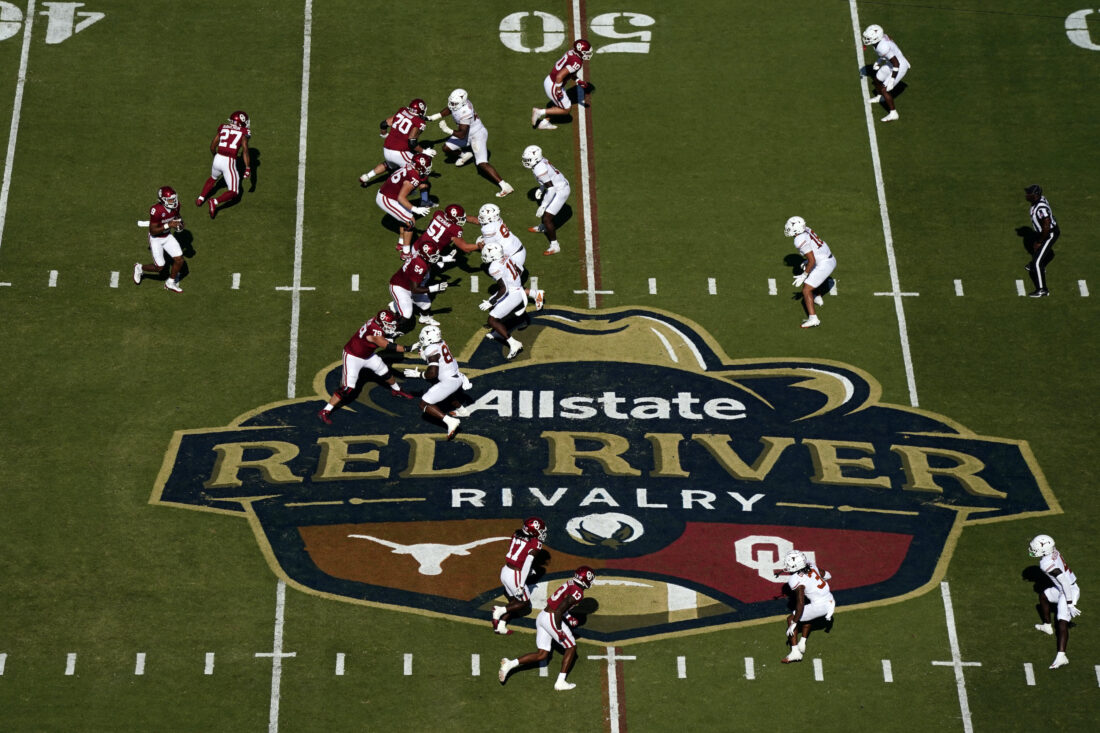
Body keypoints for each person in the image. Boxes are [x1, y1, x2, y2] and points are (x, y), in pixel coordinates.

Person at [499, 566, 595, 691]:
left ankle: (509, 664)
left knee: (542, 654)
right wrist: (559, 630)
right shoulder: (578, 593)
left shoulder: (570, 583)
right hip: (552, 618)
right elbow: (559, 610)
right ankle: (560, 682)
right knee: (571, 647)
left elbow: (555, 602)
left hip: (543, 616)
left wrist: (569, 616)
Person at [318, 309, 414, 425]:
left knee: (385, 371)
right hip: (353, 356)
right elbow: (387, 345)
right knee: (347, 388)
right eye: (388, 324)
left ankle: (397, 390)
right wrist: (409, 348)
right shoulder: (375, 332)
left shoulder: (376, 321)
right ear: (381, 323)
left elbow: (384, 334)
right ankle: (325, 411)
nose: (390, 326)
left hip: (367, 355)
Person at [426, 89, 513, 198]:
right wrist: (433, 117)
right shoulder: (459, 104)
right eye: (451, 102)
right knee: (446, 148)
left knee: (482, 163)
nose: (452, 105)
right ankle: (465, 155)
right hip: (467, 134)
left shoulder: (465, 111)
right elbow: (450, 109)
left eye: (454, 103)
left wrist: (447, 130)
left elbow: (462, 134)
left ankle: (505, 186)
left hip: (477, 135)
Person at [401, 325, 470, 439]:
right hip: (456, 377)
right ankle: (462, 411)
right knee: (443, 391)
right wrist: (424, 355)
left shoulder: (431, 350)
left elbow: (432, 373)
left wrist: (419, 374)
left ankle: (450, 421)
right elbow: (438, 356)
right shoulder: (442, 342)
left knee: (424, 404)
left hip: (449, 381)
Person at [479, 241, 544, 360]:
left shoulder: (493, 267)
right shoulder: (506, 256)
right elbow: (519, 269)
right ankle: (498, 331)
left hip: (513, 294)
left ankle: (514, 344)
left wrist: (491, 301)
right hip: (516, 288)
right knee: (495, 310)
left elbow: (503, 289)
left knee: (492, 319)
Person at [1028, 534, 1081, 669]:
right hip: (1063, 588)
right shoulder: (1053, 550)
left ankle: (1062, 656)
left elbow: (1064, 581)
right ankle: (1047, 626)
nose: (1033, 549)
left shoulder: (1045, 564)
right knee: (1043, 596)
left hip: (1069, 589)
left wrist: (1069, 602)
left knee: (1062, 621)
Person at [359, 98, 436, 188]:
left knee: (389, 165)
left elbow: (384, 124)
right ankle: (423, 199)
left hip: (387, 148)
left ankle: (367, 176)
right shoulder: (420, 122)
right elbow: (412, 142)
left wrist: (384, 134)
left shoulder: (402, 111)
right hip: (399, 152)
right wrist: (424, 151)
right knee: (420, 169)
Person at [491, 517, 548, 635]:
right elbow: (527, 563)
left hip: (505, 570)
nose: (542, 533)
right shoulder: (535, 543)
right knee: (524, 603)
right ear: (533, 531)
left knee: (514, 602)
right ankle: (499, 611)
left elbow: (519, 552)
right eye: (540, 530)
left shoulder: (516, 533)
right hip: (515, 574)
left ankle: (500, 626)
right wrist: (521, 585)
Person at [776, 550, 835, 664]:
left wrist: (793, 623)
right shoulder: (811, 566)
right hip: (829, 600)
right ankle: (802, 642)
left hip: (820, 605)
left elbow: (800, 603)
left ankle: (795, 653)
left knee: (791, 619)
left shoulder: (795, 579)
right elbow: (827, 575)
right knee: (807, 616)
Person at [784, 216, 837, 329]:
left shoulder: (798, 240)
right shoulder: (806, 229)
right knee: (806, 266)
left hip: (824, 264)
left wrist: (804, 275)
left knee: (806, 289)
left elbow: (812, 261)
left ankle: (813, 319)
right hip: (827, 258)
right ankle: (816, 296)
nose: (788, 228)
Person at [375, 153, 433, 257]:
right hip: (386, 198)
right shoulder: (414, 178)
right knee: (410, 221)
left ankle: (401, 243)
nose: (428, 168)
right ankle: (406, 253)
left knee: (406, 217)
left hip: (391, 194)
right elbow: (401, 198)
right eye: (426, 166)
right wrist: (415, 209)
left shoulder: (410, 166)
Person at [197, 110, 251, 218]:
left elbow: (212, 145)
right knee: (234, 192)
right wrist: (248, 167)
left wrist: (215, 156)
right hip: (229, 161)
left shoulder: (224, 127)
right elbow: (245, 150)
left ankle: (200, 198)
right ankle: (215, 202)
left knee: (213, 178)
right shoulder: (243, 131)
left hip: (217, 158)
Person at [531, 39, 593, 130]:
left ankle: (544, 123)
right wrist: (559, 91)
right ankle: (539, 112)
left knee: (559, 104)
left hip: (551, 81)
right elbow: (560, 76)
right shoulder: (577, 62)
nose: (587, 54)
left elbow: (568, 72)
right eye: (585, 52)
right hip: (554, 84)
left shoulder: (571, 53)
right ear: (580, 52)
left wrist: (578, 81)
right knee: (566, 109)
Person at [134, 186, 186, 293]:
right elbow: (153, 231)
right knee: (160, 267)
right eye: (171, 199)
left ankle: (170, 282)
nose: (174, 201)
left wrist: (180, 224)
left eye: (174, 198)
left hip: (167, 236)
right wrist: (169, 225)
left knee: (179, 259)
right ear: (163, 200)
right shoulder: (156, 210)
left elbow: (177, 217)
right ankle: (139, 267)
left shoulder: (176, 206)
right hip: (156, 238)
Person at [521, 145, 571, 255]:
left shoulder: (539, 168)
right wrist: (541, 187)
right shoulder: (541, 161)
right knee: (546, 214)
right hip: (559, 185)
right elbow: (549, 178)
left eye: (528, 160)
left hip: (560, 190)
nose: (526, 162)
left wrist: (543, 205)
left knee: (547, 218)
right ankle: (544, 227)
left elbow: (551, 189)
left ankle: (555, 245)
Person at [388, 241, 448, 328]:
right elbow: (414, 289)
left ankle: (424, 318)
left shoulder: (421, 255)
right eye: (433, 256)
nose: (435, 257)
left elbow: (430, 258)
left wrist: (444, 259)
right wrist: (435, 288)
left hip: (410, 284)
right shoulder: (419, 265)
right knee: (407, 314)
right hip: (400, 287)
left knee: (426, 304)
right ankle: (391, 330)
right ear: (424, 255)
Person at [862, 25, 909, 123]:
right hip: (892, 63)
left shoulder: (882, 46)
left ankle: (893, 113)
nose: (866, 39)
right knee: (877, 79)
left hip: (899, 66)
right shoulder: (880, 40)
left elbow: (896, 63)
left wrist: (892, 79)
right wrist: (879, 61)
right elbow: (887, 53)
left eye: (869, 38)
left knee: (885, 89)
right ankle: (880, 97)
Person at [1024, 184, 1060, 298]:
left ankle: (1042, 289)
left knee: (1037, 262)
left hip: (1049, 233)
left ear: (1035, 195)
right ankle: (1036, 264)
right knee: (1037, 252)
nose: (1026, 195)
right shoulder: (1039, 201)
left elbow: (1046, 225)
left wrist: (1040, 241)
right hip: (1044, 233)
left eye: (1028, 193)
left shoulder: (1041, 208)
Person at [413, 204, 480, 259]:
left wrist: (479, 221)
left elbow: (451, 220)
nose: (462, 219)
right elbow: (465, 248)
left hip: (416, 245)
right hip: (427, 254)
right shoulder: (455, 229)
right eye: (460, 218)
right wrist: (480, 246)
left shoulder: (438, 214)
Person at [476, 203, 527, 270]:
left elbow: (488, 250)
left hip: (513, 257)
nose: (481, 217)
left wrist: (479, 245)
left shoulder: (488, 229)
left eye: (483, 216)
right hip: (519, 249)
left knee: (497, 273)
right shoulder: (498, 220)